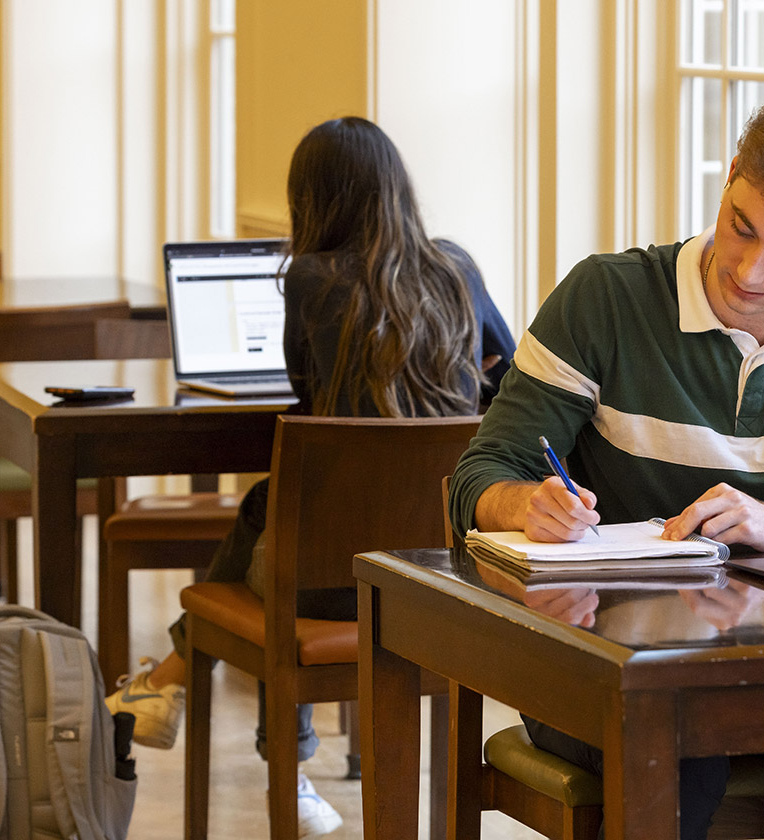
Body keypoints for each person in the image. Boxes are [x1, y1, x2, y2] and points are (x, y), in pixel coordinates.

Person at [448, 93, 764, 840]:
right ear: (728, 181)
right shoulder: (607, 296)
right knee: (681, 727)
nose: (750, 273)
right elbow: (481, 475)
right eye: (741, 227)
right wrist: (523, 504)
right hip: (614, 666)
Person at [107, 116, 516, 837]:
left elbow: (305, 387)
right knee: (272, 509)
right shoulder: (457, 267)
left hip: (334, 576)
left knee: (279, 520)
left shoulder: (312, 277)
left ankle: (227, 725)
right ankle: (168, 685)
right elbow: (504, 368)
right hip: (441, 565)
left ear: (316, 200)